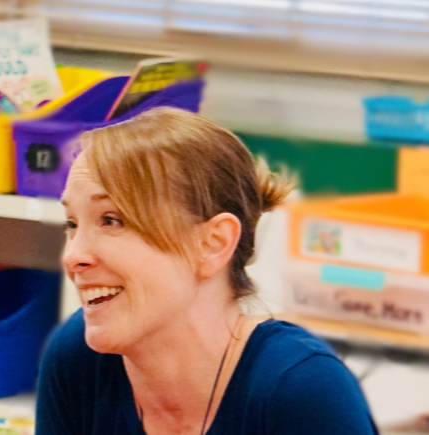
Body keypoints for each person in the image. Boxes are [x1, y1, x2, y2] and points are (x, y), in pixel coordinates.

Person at [36, 107, 379, 435]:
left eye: (112, 220)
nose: (73, 255)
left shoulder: (303, 391)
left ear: (213, 243)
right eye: (72, 223)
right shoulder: (78, 359)